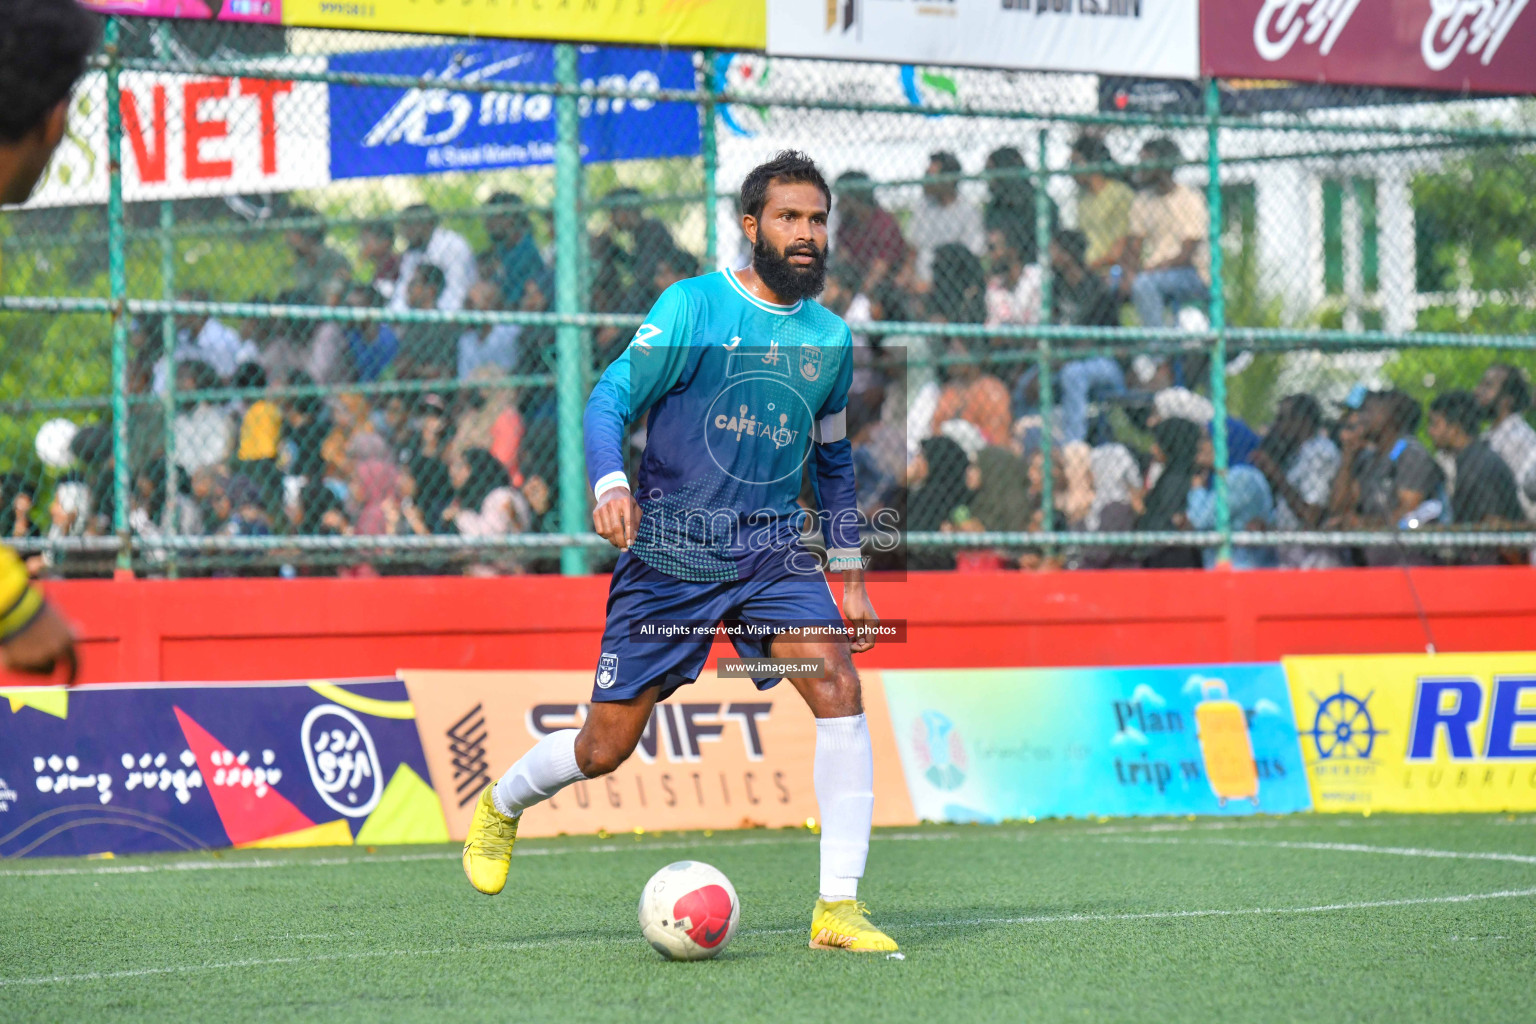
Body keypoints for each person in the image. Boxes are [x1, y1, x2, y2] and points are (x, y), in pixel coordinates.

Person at [461, 151, 898, 953]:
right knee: (604, 746)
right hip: (672, 551)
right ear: (751, 225)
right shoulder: (694, 307)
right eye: (789, 218)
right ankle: (503, 805)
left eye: (817, 220)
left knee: (837, 681)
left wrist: (852, 579)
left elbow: (832, 467)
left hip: (771, 552)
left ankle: (837, 908)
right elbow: (609, 397)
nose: (806, 235)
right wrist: (608, 484)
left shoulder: (830, 341)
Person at [1338, 389, 1444, 566]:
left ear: (1392, 416)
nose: (1362, 418)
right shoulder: (1367, 457)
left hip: (1408, 557)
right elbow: (1342, 506)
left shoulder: (1410, 453)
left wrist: (1362, 524)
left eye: (1369, 411)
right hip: (1371, 553)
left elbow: (1407, 513)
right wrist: (1348, 457)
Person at [1125, 137, 1210, 329]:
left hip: (1189, 274)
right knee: (1112, 286)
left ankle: (1159, 352)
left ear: (1163, 164)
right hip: (1153, 272)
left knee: (1144, 285)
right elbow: (1134, 246)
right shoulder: (1142, 201)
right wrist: (1130, 272)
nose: (1141, 166)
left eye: (1146, 160)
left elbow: (1187, 254)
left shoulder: (1190, 198)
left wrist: (1153, 269)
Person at [1428, 390, 1523, 560]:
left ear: (1455, 428)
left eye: (1435, 424)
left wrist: (1523, 575)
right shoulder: (1470, 458)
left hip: (1493, 570)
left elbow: (1496, 526)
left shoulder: (1478, 463)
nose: (1430, 432)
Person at [1250, 394, 1343, 569]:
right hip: (1293, 562)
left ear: (1302, 421)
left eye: (1282, 419)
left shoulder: (1319, 453)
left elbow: (1312, 515)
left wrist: (1276, 475)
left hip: (1314, 564)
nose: (1277, 426)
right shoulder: (1300, 454)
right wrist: (1269, 528)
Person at [907, 150, 986, 291]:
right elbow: (913, 250)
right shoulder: (922, 208)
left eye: (931, 176)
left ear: (949, 179)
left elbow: (973, 255)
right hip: (920, 281)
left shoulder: (968, 211)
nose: (926, 181)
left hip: (953, 282)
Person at [1474, 363, 1536, 522]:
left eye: (1487, 386)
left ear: (1507, 400)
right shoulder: (1486, 436)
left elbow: (1525, 497)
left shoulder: (1519, 437)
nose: (1477, 391)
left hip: (1518, 534)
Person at [1069, 135, 1135, 279]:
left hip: (1113, 269)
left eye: (1075, 163)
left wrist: (1089, 267)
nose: (1071, 170)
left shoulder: (1119, 194)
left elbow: (1120, 248)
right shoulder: (1082, 198)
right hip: (1088, 269)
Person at [833, 170, 906, 300]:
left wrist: (856, 299)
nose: (839, 205)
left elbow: (880, 270)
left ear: (855, 199)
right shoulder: (847, 224)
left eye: (843, 199)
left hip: (883, 288)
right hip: (853, 281)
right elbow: (841, 259)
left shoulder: (884, 223)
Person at [391, 204, 477, 313]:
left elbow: (457, 292)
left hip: (453, 314)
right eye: (403, 226)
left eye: (409, 225)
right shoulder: (412, 251)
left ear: (428, 225)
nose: (405, 232)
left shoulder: (453, 244)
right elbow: (402, 289)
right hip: (419, 314)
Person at [483, 192, 546, 315]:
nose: (488, 224)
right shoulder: (503, 249)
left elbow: (514, 300)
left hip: (518, 317)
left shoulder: (525, 251)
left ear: (510, 219)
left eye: (493, 217)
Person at [284, 207, 352, 305]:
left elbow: (334, 299)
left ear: (301, 233)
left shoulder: (333, 259)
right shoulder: (301, 262)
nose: (286, 239)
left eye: (289, 233)